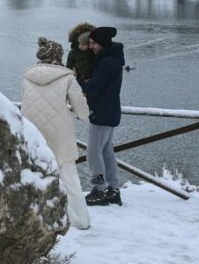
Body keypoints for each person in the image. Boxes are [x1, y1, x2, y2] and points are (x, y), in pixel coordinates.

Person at [21, 37, 92, 229]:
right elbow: (82, 113)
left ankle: (37, 221)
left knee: (35, 177)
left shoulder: (27, 75)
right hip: (60, 135)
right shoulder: (68, 77)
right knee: (69, 179)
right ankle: (79, 222)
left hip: (32, 134)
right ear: (59, 56)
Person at [79, 27, 125, 207]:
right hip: (110, 111)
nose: (90, 46)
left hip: (102, 113)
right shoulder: (113, 59)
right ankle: (113, 189)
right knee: (106, 151)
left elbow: (92, 90)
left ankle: (99, 190)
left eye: (93, 43)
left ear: (102, 43)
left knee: (93, 152)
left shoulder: (106, 63)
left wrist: (77, 80)